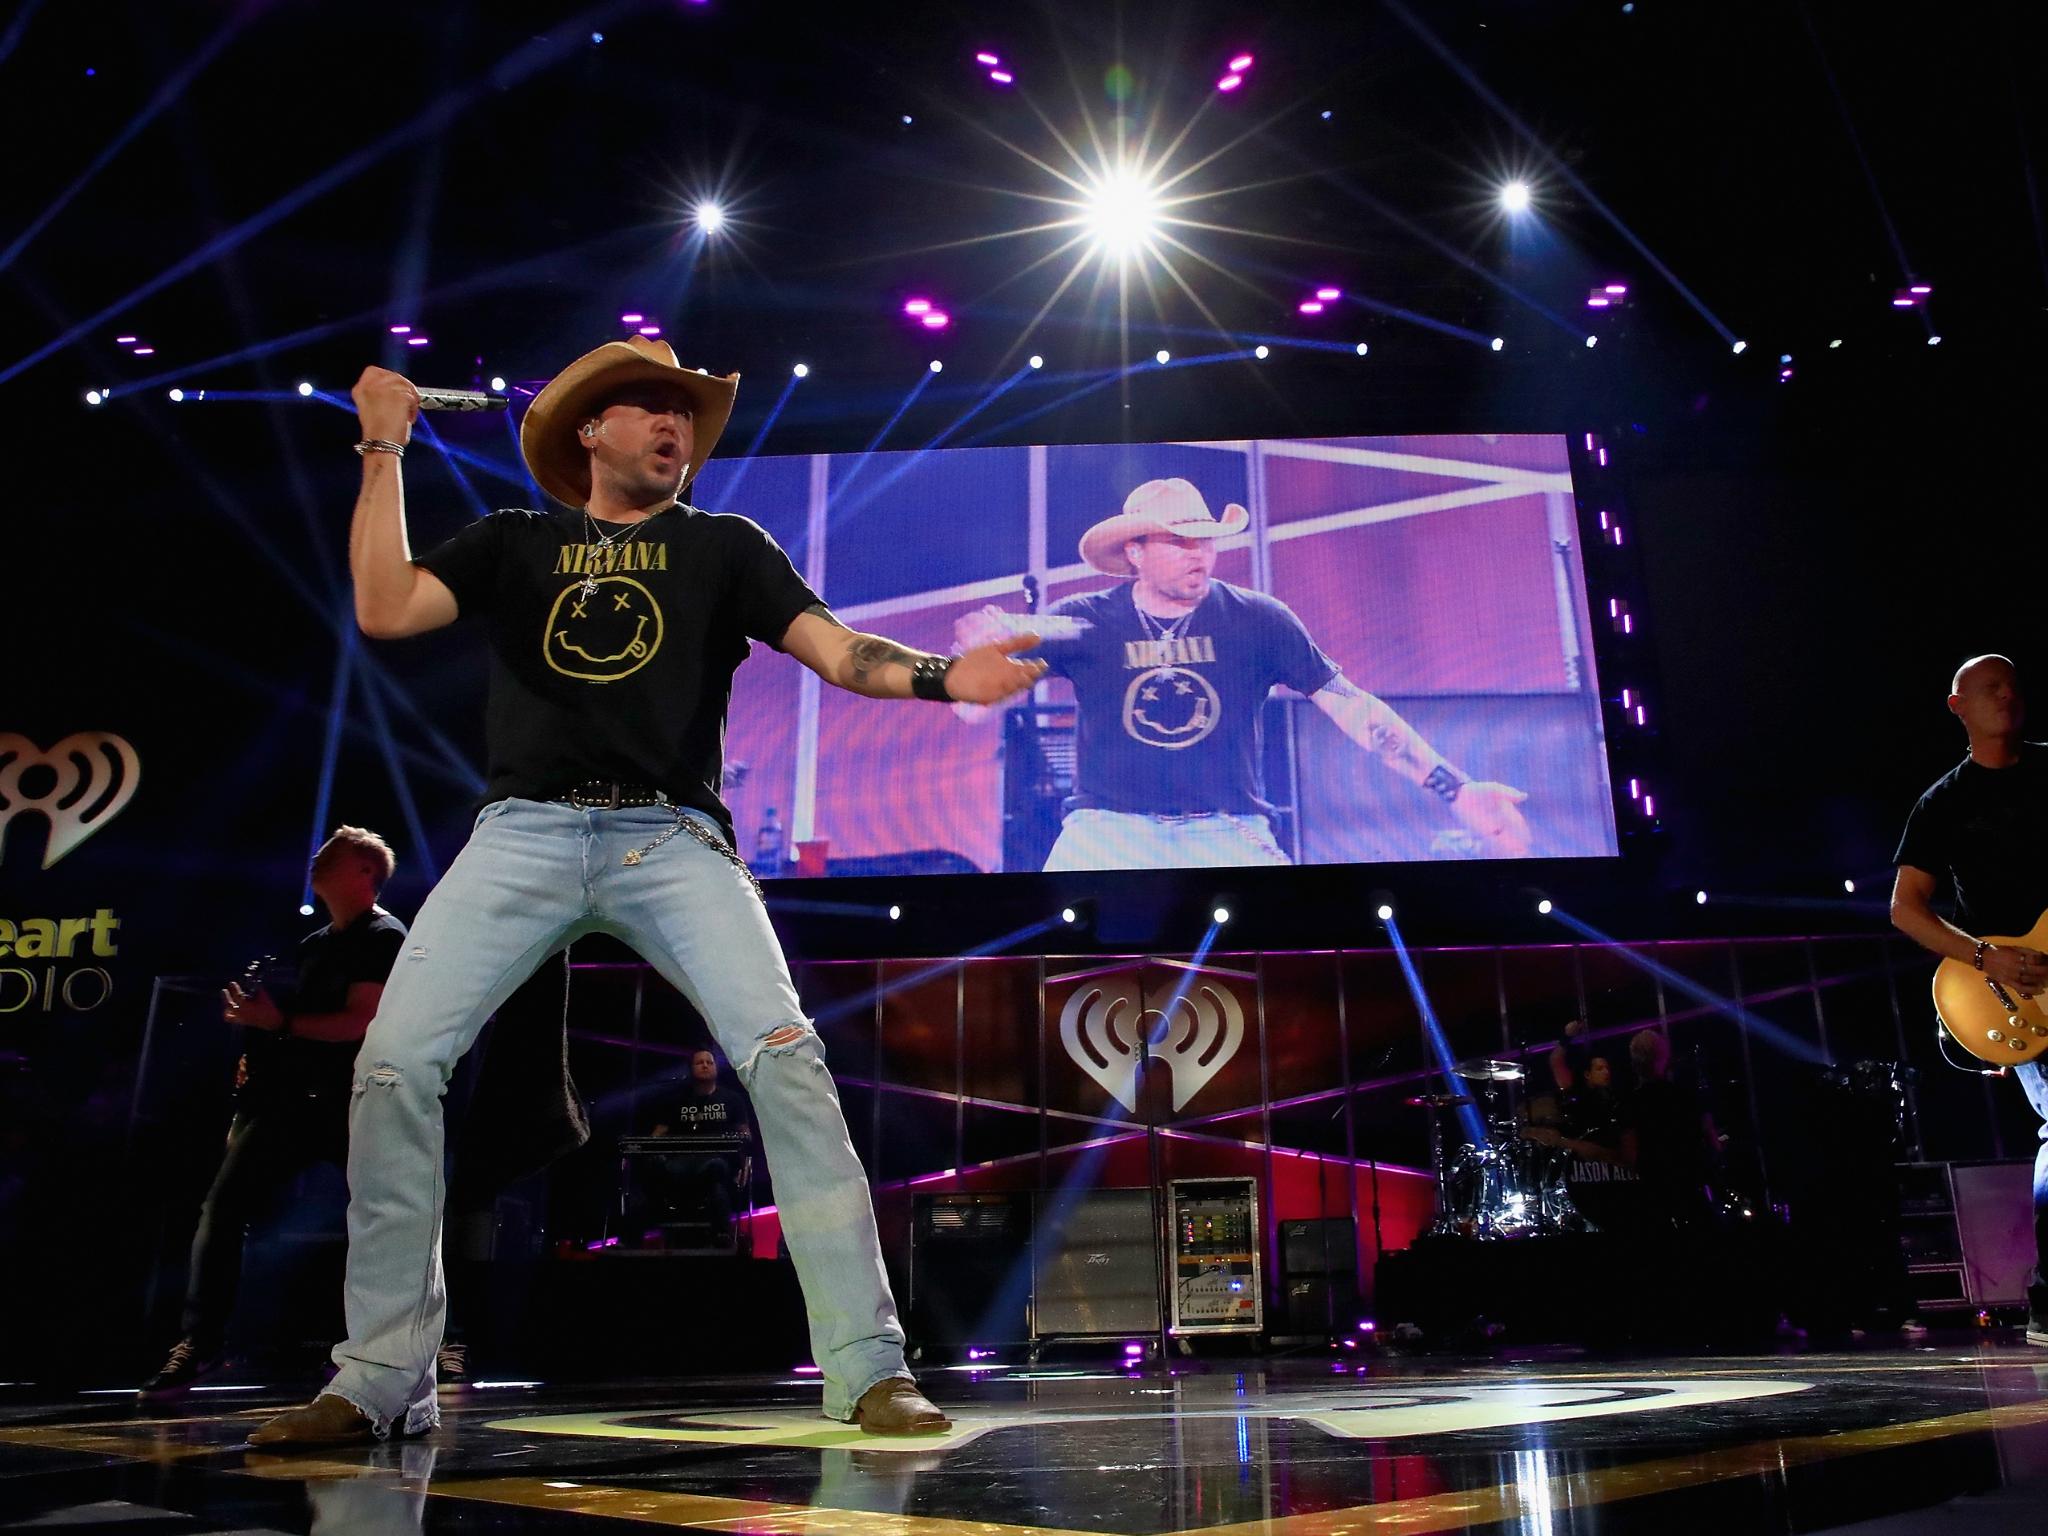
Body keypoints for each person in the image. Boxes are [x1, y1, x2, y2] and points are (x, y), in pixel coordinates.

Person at [250, 335, 1045, 1446]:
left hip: (670, 839)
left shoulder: (722, 545)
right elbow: (386, 610)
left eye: (685, 412)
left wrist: (935, 676)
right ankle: (380, 1373)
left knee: (786, 1059)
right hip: (521, 834)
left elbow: (834, 648)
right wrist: (383, 444)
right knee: (393, 1063)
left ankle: (867, 1366)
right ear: (587, 430)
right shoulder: (515, 542)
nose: (674, 425)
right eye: (647, 407)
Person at [953, 479, 1533, 870]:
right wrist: (977, 668)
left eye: (1204, 539)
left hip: (1228, 832)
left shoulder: (1258, 618)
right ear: (1135, 552)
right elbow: (974, 706)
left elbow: (1353, 709)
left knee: (1279, 973)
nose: (1198, 553)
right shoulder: (1082, 619)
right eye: (1177, 541)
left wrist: (1455, 788)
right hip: (1108, 834)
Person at [141, 827, 405, 1395]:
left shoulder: (383, 936)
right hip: (290, 1101)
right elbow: (304, 1030)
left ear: (364, 871)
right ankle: (202, 1343)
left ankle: (375, 1350)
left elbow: (361, 1022)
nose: (316, 859)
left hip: (353, 1102)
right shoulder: (314, 944)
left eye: (331, 854)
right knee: (224, 1205)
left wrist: (276, 1024)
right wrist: (260, 1047)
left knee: (376, 1222)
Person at [1891, 653, 2048, 1347]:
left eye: (2013, 683)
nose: (2005, 695)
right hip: (2015, 985)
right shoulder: (1944, 801)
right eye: (1989, 688)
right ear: (1956, 706)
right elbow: (1906, 909)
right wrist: (1988, 956)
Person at [645, 1047, 755, 1241]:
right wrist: (649, 1151)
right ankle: (631, 1238)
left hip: (719, 1164)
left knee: (717, 1174)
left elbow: (744, 1134)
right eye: (700, 1062)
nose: (705, 1065)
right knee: (652, 1181)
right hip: (681, 1164)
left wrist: (745, 1164)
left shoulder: (732, 1100)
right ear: (690, 1069)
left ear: (716, 1068)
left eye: (709, 1062)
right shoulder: (676, 1101)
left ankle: (722, 1234)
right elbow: (659, 1133)